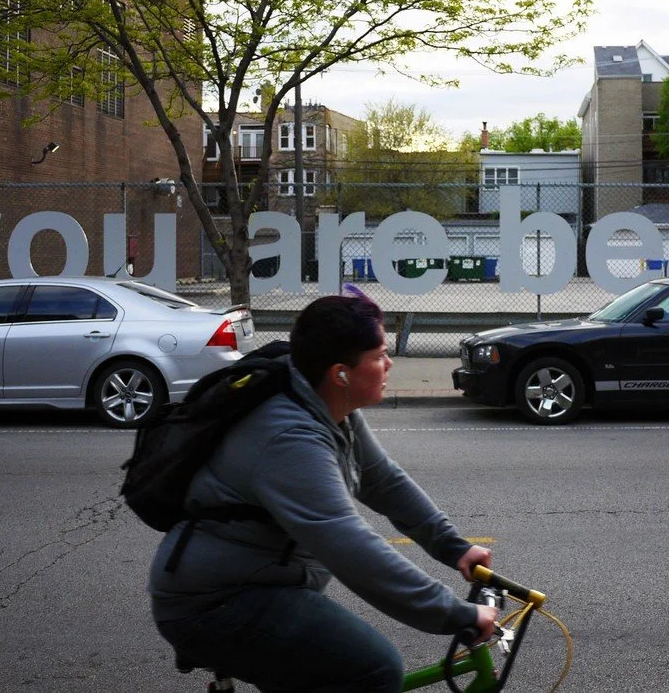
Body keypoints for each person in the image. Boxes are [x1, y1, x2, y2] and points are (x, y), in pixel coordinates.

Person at [148, 293, 498, 692]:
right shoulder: (288, 437)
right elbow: (348, 544)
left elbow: (381, 479)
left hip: (267, 582)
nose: (390, 364)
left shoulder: (328, 404)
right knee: (374, 670)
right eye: (380, 354)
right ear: (340, 373)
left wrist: (453, 547)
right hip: (214, 602)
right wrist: (456, 614)